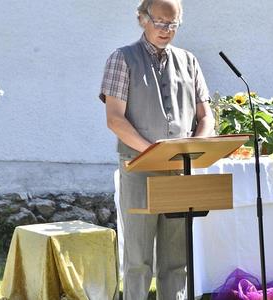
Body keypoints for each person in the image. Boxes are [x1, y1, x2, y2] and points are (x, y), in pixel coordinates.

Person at [99, 0, 215, 299]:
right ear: (142, 19)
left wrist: (197, 147)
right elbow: (114, 118)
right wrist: (152, 152)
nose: (166, 30)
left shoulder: (189, 61)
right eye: (160, 22)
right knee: (138, 260)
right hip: (139, 168)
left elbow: (206, 117)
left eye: (172, 23)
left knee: (177, 261)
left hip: (179, 169)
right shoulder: (121, 58)